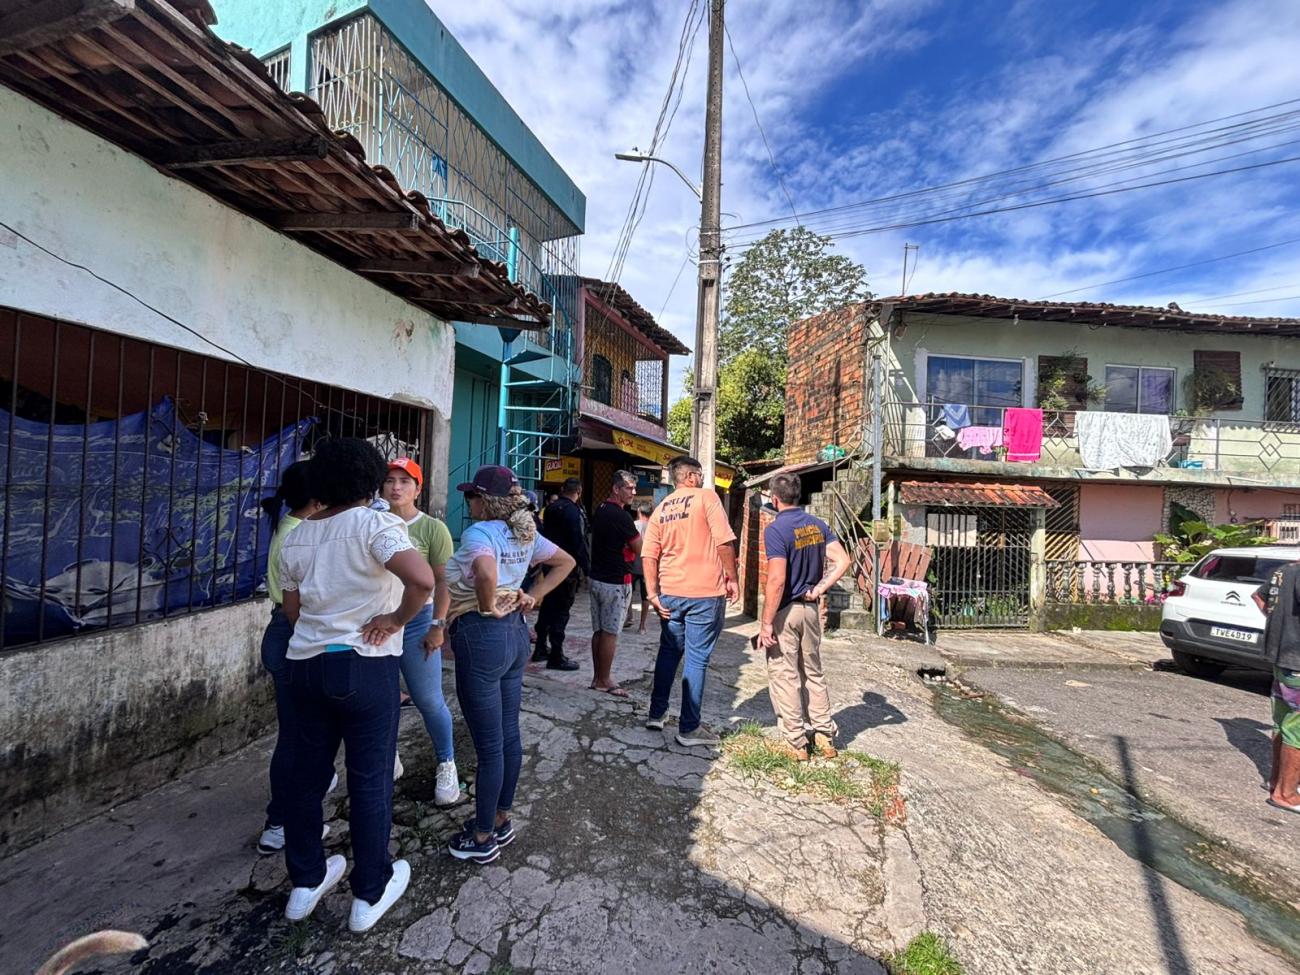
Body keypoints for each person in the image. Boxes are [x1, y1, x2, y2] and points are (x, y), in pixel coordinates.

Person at [277, 438, 434, 933]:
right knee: (369, 779)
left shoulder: (296, 536)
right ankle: (370, 891)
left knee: (305, 778)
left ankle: (305, 882)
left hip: (304, 666)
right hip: (364, 664)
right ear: (370, 480)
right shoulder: (375, 525)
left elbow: (292, 611)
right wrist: (395, 620)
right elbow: (422, 581)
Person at [445, 465, 576, 864]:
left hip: (482, 636)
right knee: (507, 735)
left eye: (471, 496)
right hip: (515, 635)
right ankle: (500, 818)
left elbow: (486, 571)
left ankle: (482, 835)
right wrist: (534, 595)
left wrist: (487, 605)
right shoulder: (523, 533)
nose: (468, 502)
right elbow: (566, 562)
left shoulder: (480, 533)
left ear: (485, 501)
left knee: (489, 745)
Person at [255, 461, 333, 856]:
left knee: (300, 731)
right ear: (317, 500)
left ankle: (295, 805)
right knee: (296, 736)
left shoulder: (290, 527)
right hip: (293, 632)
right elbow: (296, 606)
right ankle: (281, 821)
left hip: (284, 632)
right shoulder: (299, 536)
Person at [642, 456, 739, 747]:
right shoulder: (707, 498)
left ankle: (656, 713)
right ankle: (689, 728)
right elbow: (724, 542)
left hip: (670, 592)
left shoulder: (661, 508)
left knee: (668, 652)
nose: (703, 479)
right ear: (692, 477)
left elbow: (649, 554)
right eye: (701, 474)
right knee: (696, 659)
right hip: (704, 593)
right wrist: (732, 577)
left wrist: (652, 593)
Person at [757, 472, 853, 761]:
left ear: (774, 499)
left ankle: (796, 741)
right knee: (813, 671)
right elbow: (843, 560)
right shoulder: (817, 525)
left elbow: (776, 580)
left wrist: (765, 623)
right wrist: (820, 588)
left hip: (785, 610)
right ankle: (825, 736)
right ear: (798, 496)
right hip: (810, 609)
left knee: (784, 674)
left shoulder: (776, 529)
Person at [381, 457, 459, 807]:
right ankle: (388, 756)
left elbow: (443, 582)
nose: (396, 487)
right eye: (390, 480)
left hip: (417, 622)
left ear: (418, 488)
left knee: (428, 699)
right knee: (382, 699)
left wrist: (438, 625)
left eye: (404, 481)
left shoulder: (431, 529)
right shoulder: (373, 522)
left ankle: (446, 762)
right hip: (380, 622)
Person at [588, 470, 641, 697]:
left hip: (597, 577)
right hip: (615, 580)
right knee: (610, 633)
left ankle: (597, 677)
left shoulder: (600, 509)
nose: (633, 492)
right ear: (616, 489)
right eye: (629, 488)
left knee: (599, 631)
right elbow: (639, 547)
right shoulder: (621, 516)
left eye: (634, 488)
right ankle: (604, 679)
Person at [1255, 563, 1300, 814]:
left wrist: (1283, 629)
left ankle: (1276, 782)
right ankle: (1286, 794)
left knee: (1283, 723)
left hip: (1282, 657)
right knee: (1297, 730)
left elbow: (1259, 597)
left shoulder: (1284, 571)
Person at [533, 477, 588, 671]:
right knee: (561, 611)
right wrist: (586, 568)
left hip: (550, 561)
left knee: (548, 606)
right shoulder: (574, 511)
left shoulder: (551, 509)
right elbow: (578, 541)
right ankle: (556, 655)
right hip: (567, 567)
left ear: (563, 489)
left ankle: (541, 647)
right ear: (579, 491)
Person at [626, 501, 654, 633]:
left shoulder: (634, 525)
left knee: (628, 592)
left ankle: (629, 616)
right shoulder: (654, 527)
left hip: (632, 565)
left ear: (639, 512)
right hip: (648, 566)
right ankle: (642, 626)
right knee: (645, 596)